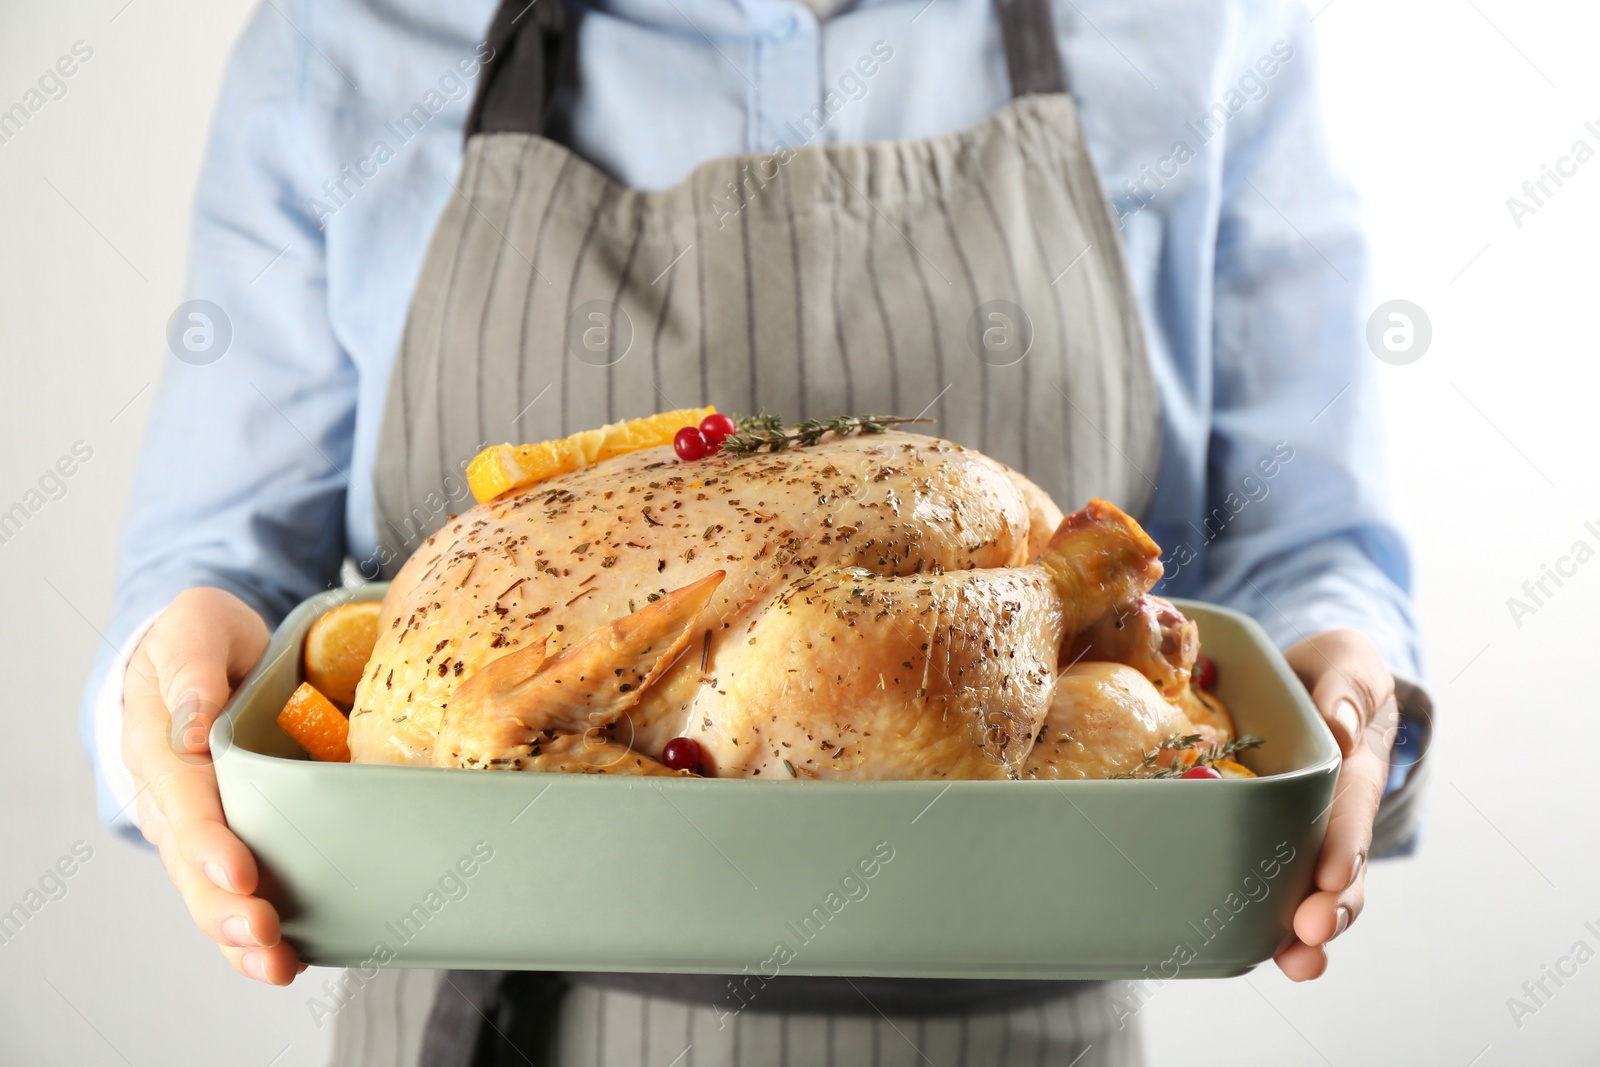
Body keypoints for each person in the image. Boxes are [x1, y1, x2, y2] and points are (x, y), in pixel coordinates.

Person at [82, 0, 1434, 1062]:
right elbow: (215, 574)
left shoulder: (1205, 28)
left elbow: (1305, 553)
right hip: (489, 1031)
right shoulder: (352, 33)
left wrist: (1349, 692)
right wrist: (176, 689)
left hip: (1018, 1040)